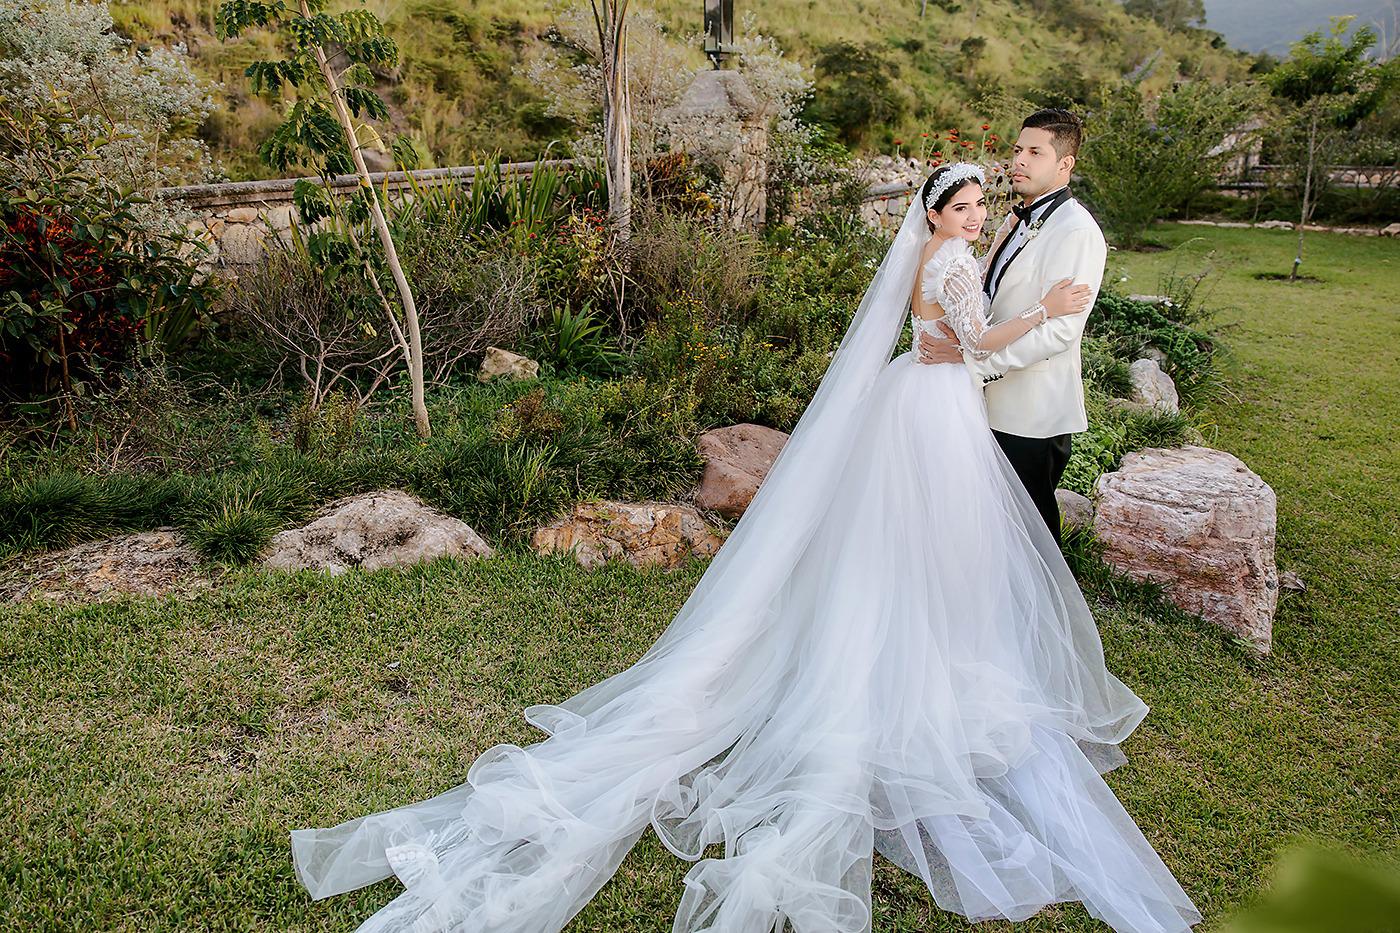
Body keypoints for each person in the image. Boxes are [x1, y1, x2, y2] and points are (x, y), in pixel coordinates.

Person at [287, 162, 1202, 933]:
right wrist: (1051, 305)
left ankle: (913, 644)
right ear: (935, 213)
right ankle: (927, 664)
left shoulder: (938, 254)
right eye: (962, 205)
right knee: (932, 547)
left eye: (978, 205)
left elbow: (942, 337)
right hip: (937, 411)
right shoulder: (952, 260)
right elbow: (970, 342)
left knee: (901, 549)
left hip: (915, 404)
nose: (976, 214)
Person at [918, 108, 1106, 544]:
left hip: (1030, 408)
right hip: (980, 402)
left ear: (1065, 164)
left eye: (1035, 152)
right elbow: (986, 295)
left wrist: (972, 362)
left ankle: (1044, 613)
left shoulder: (1076, 231)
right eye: (1018, 149)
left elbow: (1060, 332)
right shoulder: (1011, 221)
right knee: (990, 529)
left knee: (1030, 532)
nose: (1019, 160)